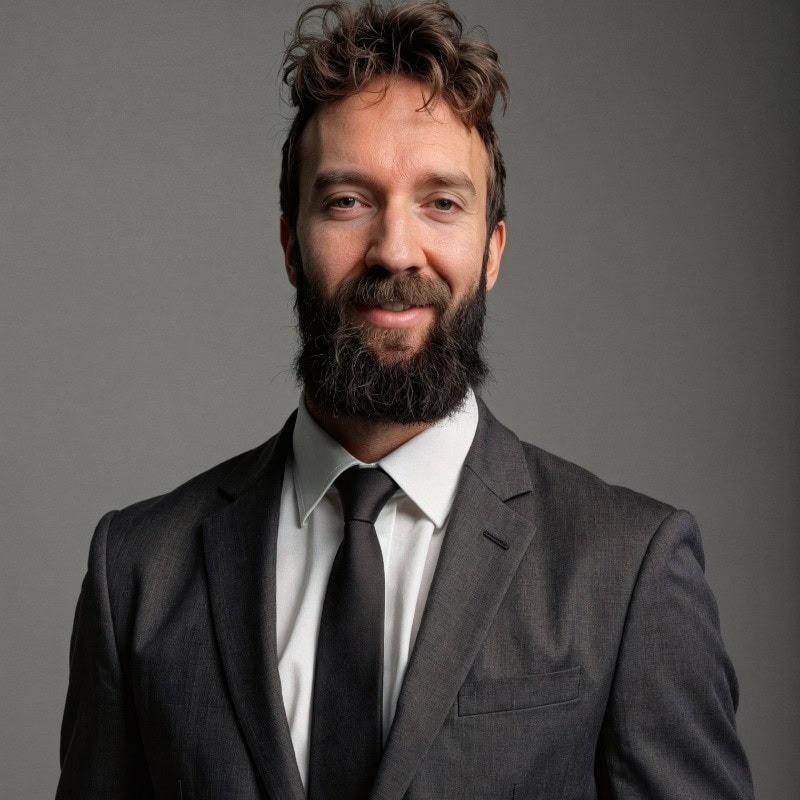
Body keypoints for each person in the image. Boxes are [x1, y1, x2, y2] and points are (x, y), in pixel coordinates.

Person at [56, 2, 755, 798]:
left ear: (492, 252)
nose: (394, 250)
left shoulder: (627, 569)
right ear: (291, 246)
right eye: (347, 201)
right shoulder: (138, 570)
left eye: (442, 203)